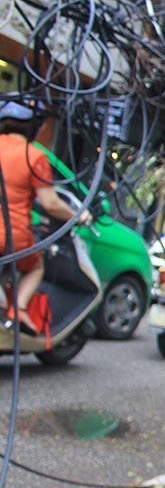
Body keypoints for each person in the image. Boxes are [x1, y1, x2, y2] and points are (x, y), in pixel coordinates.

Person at [0, 99, 92, 333]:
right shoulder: (35, 156)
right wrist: (77, 216)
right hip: (11, 238)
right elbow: (51, 204)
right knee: (35, 267)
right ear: (35, 126)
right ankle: (18, 310)